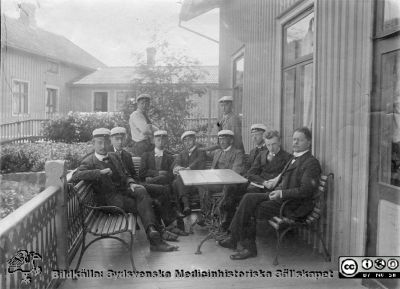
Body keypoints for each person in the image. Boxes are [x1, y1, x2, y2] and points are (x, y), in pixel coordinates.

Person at [218, 127, 321, 260]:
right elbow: (281, 176)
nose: (295, 143)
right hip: (282, 197)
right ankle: (234, 237)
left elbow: (306, 190)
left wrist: (281, 193)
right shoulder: (295, 158)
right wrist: (273, 182)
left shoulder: (311, 162)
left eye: (299, 140)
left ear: (309, 142)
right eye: (294, 139)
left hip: (293, 205)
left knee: (251, 207)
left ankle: (245, 246)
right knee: (248, 197)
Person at [72, 128, 178, 252]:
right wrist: (99, 172)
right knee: (152, 203)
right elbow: (76, 176)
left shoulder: (114, 156)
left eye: (106, 142)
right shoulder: (89, 161)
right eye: (99, 142)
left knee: (141, 190)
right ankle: (155, 238)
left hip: (124, 192)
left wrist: (131, 183)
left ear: (110, 143)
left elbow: (126, 174)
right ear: (93, 143)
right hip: (109, 201)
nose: (103, 146)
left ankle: (153, 232)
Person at [109, 127, 183, 239]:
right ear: (111, 140)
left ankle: (168, 223)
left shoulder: (127, 155)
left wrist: (137, 183)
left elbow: (134, 175)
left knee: (163, 189)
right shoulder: (107, 155)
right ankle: (161, 230)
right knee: (151, 200)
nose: (120, 142)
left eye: (122, 139)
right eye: (117, 139)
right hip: (121, 191)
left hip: (135, 185)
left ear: (125, 139)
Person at [199, 129, 244, 229]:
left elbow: (236, 172)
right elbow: (205, 152)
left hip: (229, 183)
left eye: (224, 139)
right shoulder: (217, 152)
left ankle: (220, 214)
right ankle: (205, 214)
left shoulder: (237, 153)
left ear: (231, 141)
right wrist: (198, 147)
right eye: (220, 139)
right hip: (216, 182)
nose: (222, 142)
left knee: (228, 187)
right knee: (202, 185)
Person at [172, 131, 207, 216]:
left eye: (190, 140)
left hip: (197, 181)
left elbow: (199, 162)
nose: (187, 142)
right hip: (184, 183)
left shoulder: (200, 151)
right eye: (185, 140)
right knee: (176, 182)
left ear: (194, 140)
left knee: (177, 181)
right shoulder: (182, 153)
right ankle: (183, 208)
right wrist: (177, 168)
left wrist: (188, 168)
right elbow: (176, 163)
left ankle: (184, 206)